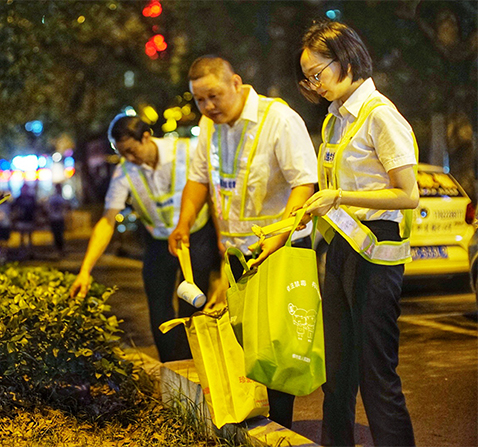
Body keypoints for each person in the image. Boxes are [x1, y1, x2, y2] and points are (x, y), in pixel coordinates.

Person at [168, 55, 318, 429]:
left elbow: (305, 184)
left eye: (213, 96)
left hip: (278, 251)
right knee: (244, 342)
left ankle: (281, 426)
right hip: (236, 255)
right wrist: (183, 224)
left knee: (277, 344)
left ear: (236, 83)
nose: (207, 107)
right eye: (200, 100)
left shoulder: (279, 120)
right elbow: (198, 180)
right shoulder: (208, 126)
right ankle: (254, 418)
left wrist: (279, 237)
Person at [296, 20, 418, 447]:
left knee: (376, 378)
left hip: (376, 258)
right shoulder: (334, 121)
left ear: (345, 60)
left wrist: (341, 197)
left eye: (318, 73)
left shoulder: (380, 116)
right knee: (338, 376)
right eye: (308, 78)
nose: (314, 85)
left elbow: (409, 195)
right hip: (340, 253)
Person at [69, 114, 221, 363]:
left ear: (147, 137)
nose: (129, 159)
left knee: (193, 306)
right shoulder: (124, 172)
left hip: (196, 237)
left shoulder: (188, 152)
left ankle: (194, 365)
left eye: (131, 150)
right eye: (122, 154)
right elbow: (107, 221)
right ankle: (172, 367)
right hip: (159, 242)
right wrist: (85, 270)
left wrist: (221, 239)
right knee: (159, 306)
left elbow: (215, 196)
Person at [12, 183, 37, 257]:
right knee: (22, 236)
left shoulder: (31, 198)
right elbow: (14, 208)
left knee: (29, 236)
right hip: (21, 219)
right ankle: (22, 251)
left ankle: (30, 252)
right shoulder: (18, 198)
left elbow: (35, 209)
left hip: (29, 219)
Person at [47, 183, 69, 257]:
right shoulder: (60, 198)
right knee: (58, 235)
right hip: (57, 218)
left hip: (56, 218)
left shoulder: (53, 198)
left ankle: (59, 250)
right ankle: (59, 250)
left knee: (58, 235)